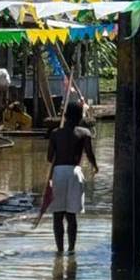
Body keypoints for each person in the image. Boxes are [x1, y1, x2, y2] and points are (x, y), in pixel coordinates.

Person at [45, 100, 98, 255]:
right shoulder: (84, 133)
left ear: (65, 116)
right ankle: (71, 250)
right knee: (71, 215)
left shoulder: (55, 133)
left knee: (57, 215)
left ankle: (60, 250)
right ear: (80, 117)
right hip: (75, 173)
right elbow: (89, 153)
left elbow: (49, 158)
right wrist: (95, 166)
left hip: (58, 173)